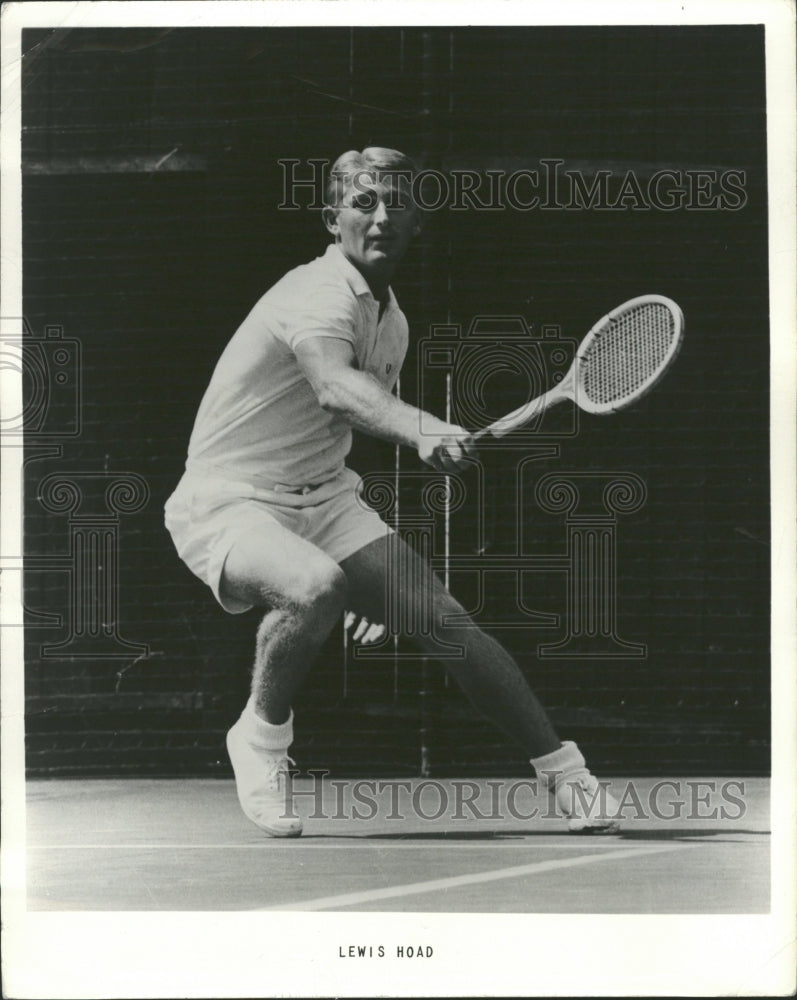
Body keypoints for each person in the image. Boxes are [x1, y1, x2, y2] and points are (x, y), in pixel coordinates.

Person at [164, 146, 620, 837]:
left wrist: (367, 565)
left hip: (326, 499)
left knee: (445, 622)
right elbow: (334, 386)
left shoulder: (391, 320)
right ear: (332, 217)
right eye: (362, 200)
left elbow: (347, 420)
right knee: (313, 588)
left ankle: (566, 776)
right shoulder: (313, 294)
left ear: (417, 222)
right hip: (232, 498)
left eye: (396, 202)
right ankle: (259, 739)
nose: (380, 216)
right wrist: (422, 427)